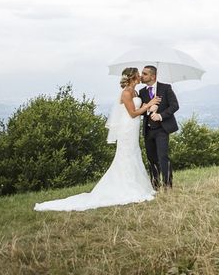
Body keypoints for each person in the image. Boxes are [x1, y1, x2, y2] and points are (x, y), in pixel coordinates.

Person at [34, 68, 161, 211]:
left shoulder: (135, 92)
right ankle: (126, 186)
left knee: (134, 153)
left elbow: (137, 110)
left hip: (133, 127)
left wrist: (147, 107)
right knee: (126, 155)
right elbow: (132, 113)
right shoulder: (126, 93)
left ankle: (135, 184)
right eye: (138, 74)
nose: (140, 76)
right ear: (132, 77)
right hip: (127, 128)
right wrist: (149, 104)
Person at [139, 65, 179, 189]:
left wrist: (160, 115)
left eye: (145, 74)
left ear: (153, 76)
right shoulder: (142, 92)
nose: (142, 76)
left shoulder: (166, 88)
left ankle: (167, 184)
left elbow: (174, 106)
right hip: (148, 130)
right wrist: (148, 110)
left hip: (162, 129)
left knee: (163, 157)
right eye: (142, 73)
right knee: (151, 159)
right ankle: (155, 185)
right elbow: (140, 111)